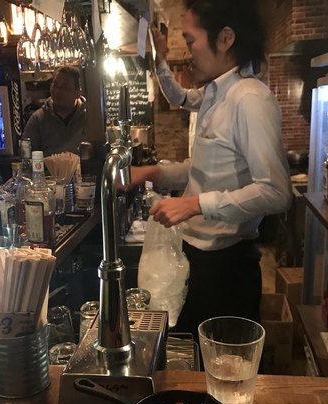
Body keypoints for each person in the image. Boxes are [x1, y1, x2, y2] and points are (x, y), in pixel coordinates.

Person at [130, 0, 292, 340]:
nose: (189, 52)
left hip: (226, 268)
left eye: (191, 41)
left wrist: (195, 204)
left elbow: (276, 192)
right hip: (201, 260)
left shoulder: (249, 99)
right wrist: (154, 172)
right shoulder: (217, 93)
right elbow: (207, 166)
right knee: (192, 360)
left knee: (221, 365)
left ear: (226, 38)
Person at [22, 65, 86, 157]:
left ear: (78, 92)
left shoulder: (90, 118)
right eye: (55, 85)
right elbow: (26, 156)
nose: (57, 91)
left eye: (64, 87)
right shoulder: (38, 119)